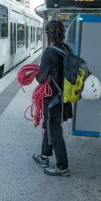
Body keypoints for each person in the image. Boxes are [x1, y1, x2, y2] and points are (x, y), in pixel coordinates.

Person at [33, 20, 73, 176]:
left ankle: (63, 167)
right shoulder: (67, 49)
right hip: (64, 96)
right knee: (48, 126)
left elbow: (41, 78)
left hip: (53, 98)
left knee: (55, 130)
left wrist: (39, 73)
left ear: (49, 34)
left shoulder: (50, 52)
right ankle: (44, 156)